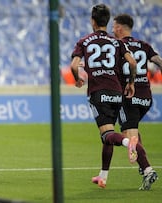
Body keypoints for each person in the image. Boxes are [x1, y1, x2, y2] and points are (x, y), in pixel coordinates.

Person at [70, 4, 138, 188]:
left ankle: (127, 142)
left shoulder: (84, 41)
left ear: (92, 21)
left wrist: (77, 80)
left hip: (98, 92)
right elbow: (132, 62)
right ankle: (103, 176)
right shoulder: (117, 42)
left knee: (108, 134)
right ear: (107, 22)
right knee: (107, 135)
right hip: (116, 92)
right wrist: (131, 83)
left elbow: (74, 66)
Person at [112, 13, 161, 190]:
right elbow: (159, 62)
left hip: (128, 95)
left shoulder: (117, 45)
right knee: (132, 132)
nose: (112, 30)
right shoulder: (143, 45)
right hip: (146, 97)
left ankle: (147, 170)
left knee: (128, 137)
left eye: (113, 26)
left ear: (119, 27)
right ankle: (144, 166)